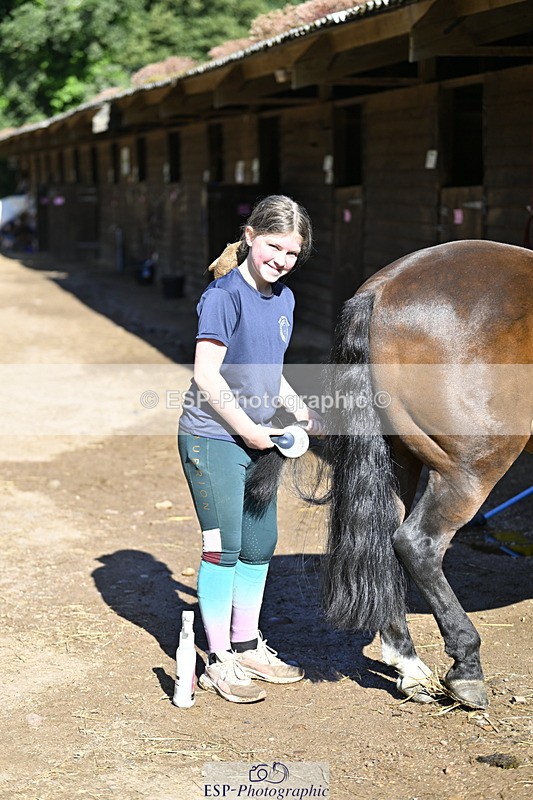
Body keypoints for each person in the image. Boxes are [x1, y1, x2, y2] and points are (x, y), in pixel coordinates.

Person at [178, 195, 324, 704]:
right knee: (224, 549)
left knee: (260, 545)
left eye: (292, 254)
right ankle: (218, 659)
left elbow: (269, 368)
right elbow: (206, 375)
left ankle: (246, 645)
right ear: (249, 236)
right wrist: (245, 428)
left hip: (260, 437)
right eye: (273, 247)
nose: (281, 261)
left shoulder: (283, 298)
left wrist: (294, 404)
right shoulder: (223, 296)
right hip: (213, 437)